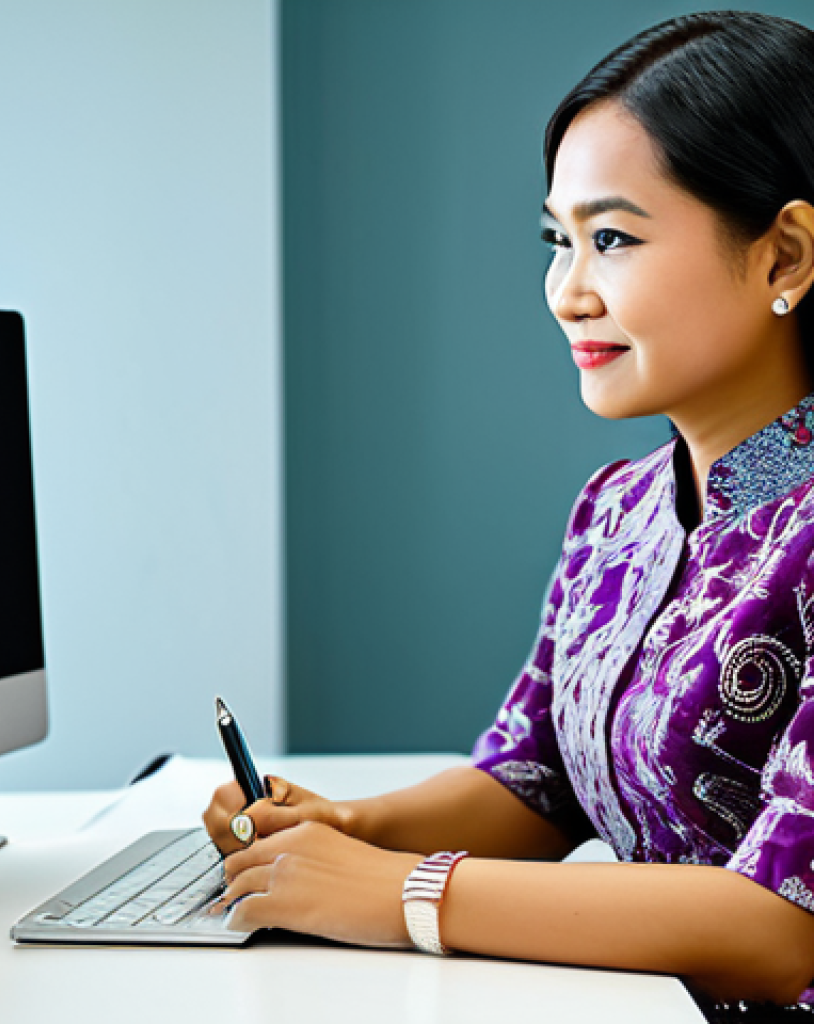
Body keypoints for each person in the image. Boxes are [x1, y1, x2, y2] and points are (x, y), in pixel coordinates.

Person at [202, 11, 814, 1020]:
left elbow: (779, 928)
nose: (565, 291)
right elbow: (532, 787)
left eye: (610, 238)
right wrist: (344, 829)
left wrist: (402, 894)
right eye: (556, 241)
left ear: (784, 254)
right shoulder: (613, 514)